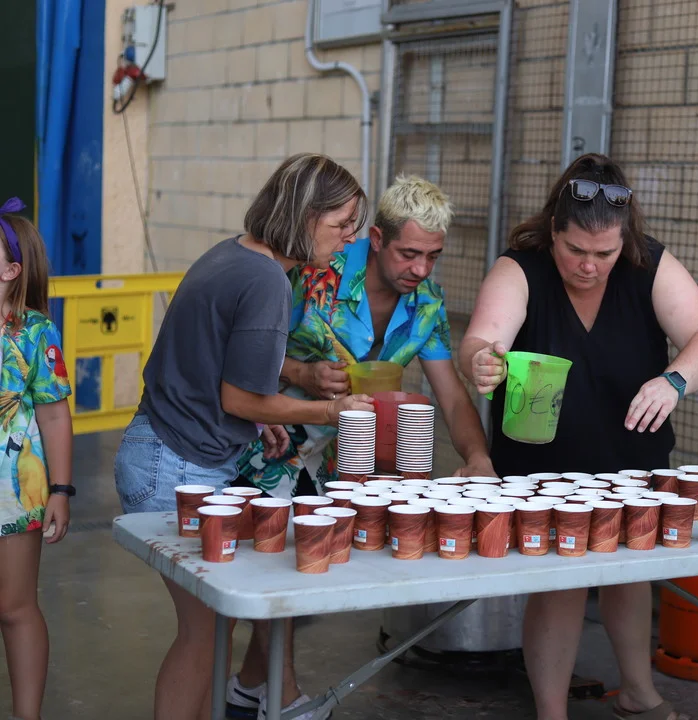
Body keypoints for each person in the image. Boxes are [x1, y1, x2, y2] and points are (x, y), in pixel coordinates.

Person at [459, 154, 698, 720]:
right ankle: (551, 712)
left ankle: (638, 693)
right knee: (561, 582)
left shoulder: (648, 263)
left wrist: (675, 380)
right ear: (553, 231)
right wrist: (482, 359)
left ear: (624, 240)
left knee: (630, 572)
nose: (588, 265)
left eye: (604, 254)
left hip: (630, 460)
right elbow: (482, 337)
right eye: (575, 250)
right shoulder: (521, 268)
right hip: (543, 468)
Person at [113, 154, 372, 720]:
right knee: (204, 632)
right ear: (304, 216)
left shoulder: (234, 254)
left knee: (211, 627)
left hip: (164, 451)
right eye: (342, 224)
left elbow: (216, 374)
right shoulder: (265, 279)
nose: (350, 238)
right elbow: (237, 398)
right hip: (175, 463)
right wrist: (331, 410)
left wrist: (260, 417)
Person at [228, 175, 495, 719]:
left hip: (343, 459)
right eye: (409, 253)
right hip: (268, 441)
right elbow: (239, 349)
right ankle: (285, 700)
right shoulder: (313, 271)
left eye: (433, 256)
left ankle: (249, 687)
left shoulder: (426, 304)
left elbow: (451, 395)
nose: (420, 269)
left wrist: (478, 457)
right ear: (376, 238)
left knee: (301, 569)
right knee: (281, 571)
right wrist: (301, 371)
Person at [0, 198, 74, 720]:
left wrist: (61, 490)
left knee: (14, 606)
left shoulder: (35, 333)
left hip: (14, 490)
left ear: (10, 271)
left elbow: (53, 415)